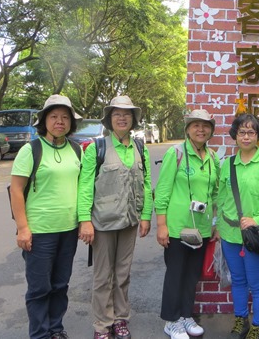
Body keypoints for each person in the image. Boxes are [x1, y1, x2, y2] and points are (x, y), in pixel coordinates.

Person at [77, 96, 153, 339]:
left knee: (122, 274)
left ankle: (121, 318)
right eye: (117, 114)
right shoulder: (97, 148)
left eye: (127, 114)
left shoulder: (141, 148)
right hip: (103, 223)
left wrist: (146, 215)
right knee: (102, 276)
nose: (122, 118)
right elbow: (85, 185)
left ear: (133, 120)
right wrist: (84, 220)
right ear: (110, 120)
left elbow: (147, 183)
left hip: (130, 221)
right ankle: (102, 324)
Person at [10, 94, 83, 339]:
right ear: (45, 121)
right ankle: (40, 334)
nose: (60, 121)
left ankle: (55, 328)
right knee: (40, 288)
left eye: (65, 117)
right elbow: (17, 191)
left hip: (68, 229)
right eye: (54, 117)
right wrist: (23, 228)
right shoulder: (31, 150)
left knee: (61, 285)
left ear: (71, 123)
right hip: (39, 231)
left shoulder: (76, 150)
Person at [155, 109, 220, 339]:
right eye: (196, 125)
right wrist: (161, 225)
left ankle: (185, 315)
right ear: (188, 129)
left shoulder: (212, 157)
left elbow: (214, 193)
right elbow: (162, 190)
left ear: (211, 130)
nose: (200, 130)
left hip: (200, 228)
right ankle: (171, 321)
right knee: (176, 274)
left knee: (192, 275)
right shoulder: (176, 153)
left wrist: (213, 223)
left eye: (205, 126)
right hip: (177, 227)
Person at [215, 113, 259, 339]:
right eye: (241, 132)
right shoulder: (228, 164)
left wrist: (257, 219)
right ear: (235, 135)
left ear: (258, 136)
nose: (246, 136)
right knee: (238, 280)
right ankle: (241, 321)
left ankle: (258, 326)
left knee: (257, 283)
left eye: (251, 132)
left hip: (254, 235)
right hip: (229, 233)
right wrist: (218, 224)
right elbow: (222, 196)